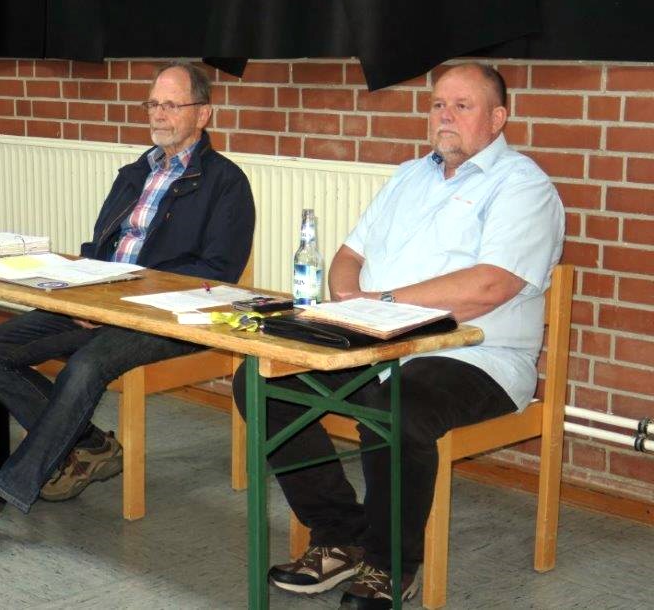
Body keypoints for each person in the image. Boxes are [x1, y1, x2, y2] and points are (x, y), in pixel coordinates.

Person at [232, 62, 564, 609]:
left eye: (462, 106)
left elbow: (490, 285)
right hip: (379, 341)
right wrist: (350, 300)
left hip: (477, 355)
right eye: (437, 105)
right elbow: (349, 255)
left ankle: (390, 564)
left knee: (396, 406)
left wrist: (383, 302)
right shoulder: (409, 176)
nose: (445, 116)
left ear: (498, 118)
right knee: (264, 381)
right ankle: (339, 534)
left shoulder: (523, 186)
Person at [0, 61, 256, 559]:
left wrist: (119, 299)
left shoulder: (226, 183)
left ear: (203, 113)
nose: (158, 114)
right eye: (153, 104)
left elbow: (217, 272)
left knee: (83, 367)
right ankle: (90, 444)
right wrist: (76, 287)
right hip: (100, 301)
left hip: (166, 318)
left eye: (171, 105)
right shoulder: (133, 173)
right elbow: (101, 246)